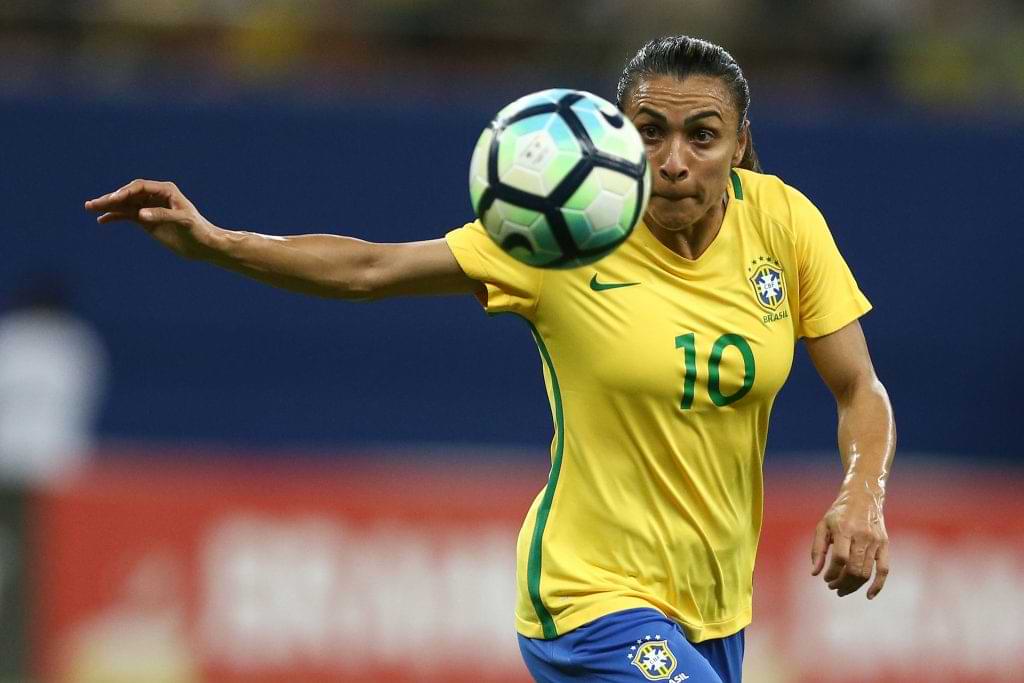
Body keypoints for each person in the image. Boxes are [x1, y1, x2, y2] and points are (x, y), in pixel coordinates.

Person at [84, 35, 895, 683]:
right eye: (651, 131)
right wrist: (220, 243)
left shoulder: (785, 223)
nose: (675, 159)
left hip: (717, 606)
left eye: (702, 135)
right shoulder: (562, 232)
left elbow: (858, 385)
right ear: (618, 132)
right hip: (588, 598)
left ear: (741, 145)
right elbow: (371, 267)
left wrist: (863, 493)